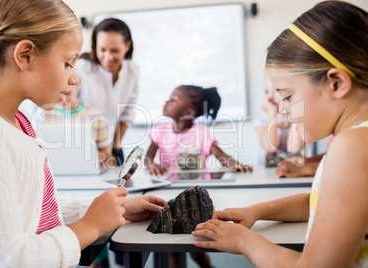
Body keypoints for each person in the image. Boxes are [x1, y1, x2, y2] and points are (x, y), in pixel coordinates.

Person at [0, 0, 166, 267]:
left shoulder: (19, 119)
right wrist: (91, 226)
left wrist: (112, 209)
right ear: (25, 55)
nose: (75, 79)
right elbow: (8, 260)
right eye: (68, 63)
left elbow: (35, 207)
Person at [192, 1, 368, 267]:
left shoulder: (353, 146)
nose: (283, 111)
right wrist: (256, 211)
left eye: (287, 96)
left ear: (337, 83)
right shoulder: (356, 139)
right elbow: (323, 202)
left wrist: (245, 241)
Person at [145, 85, 253, 176]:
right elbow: (148, 157)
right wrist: (152, 165)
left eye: (173, 100)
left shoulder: (201, 133)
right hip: (168, 185)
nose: (167, 101)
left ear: (189, 112)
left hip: (197, 188)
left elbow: (222, 156)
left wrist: (235, 164)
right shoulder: (160, 131)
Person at [77, 18, 138, 167]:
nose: (108, 57)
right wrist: (100, 150)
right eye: (102, 50)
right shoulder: (81, 69)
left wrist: (113, 149)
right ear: (95, 46)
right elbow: (69, 110)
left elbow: (127, 115)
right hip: (84, 149)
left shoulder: (132, 71)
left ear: (127, 46)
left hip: (114, 148)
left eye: (115, 51)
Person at [38, 78, 115, 168]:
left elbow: (107, 154)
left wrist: (100, 158)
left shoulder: (96, 116)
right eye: (58, 93)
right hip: (55, 173)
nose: (62, 99)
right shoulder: (45, 115)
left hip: (86, 171)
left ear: (77, 83)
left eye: (67, 93)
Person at [255, 75, 306, 166]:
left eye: (275, 90)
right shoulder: (261, 124)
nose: (270, 96)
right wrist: (272, 111)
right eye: (266, 92)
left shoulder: (300, 121)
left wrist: (294, 107)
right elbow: (270, 148)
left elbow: (294, 148)